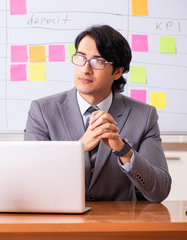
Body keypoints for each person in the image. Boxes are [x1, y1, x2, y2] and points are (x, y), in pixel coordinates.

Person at [24, 25, 171, 202]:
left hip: (118, 224)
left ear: (117, 71)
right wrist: (78, 148)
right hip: (60, 220)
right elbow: (30, 179)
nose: (85, 69)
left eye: (97, 61)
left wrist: (123, 150)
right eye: (80, 58)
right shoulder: (42, 111)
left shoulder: (144, 116)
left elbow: (160, 191)